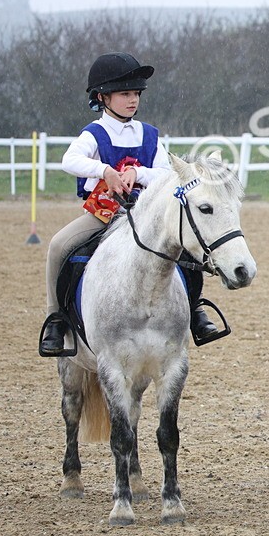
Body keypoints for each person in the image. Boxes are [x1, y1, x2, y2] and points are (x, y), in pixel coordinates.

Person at [39, 52, 224, 356]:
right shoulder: (94, 133)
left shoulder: (149, 135)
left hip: (146, 217)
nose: (133, 100)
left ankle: (195, 310)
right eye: (125, 93)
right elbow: (69, 160)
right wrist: (105, 171)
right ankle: (56, 319)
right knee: (59, 246)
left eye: (136, 93)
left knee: (187, 250)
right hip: (104, 216)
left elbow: (166, 173)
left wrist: (137, 172)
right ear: (103, 97)